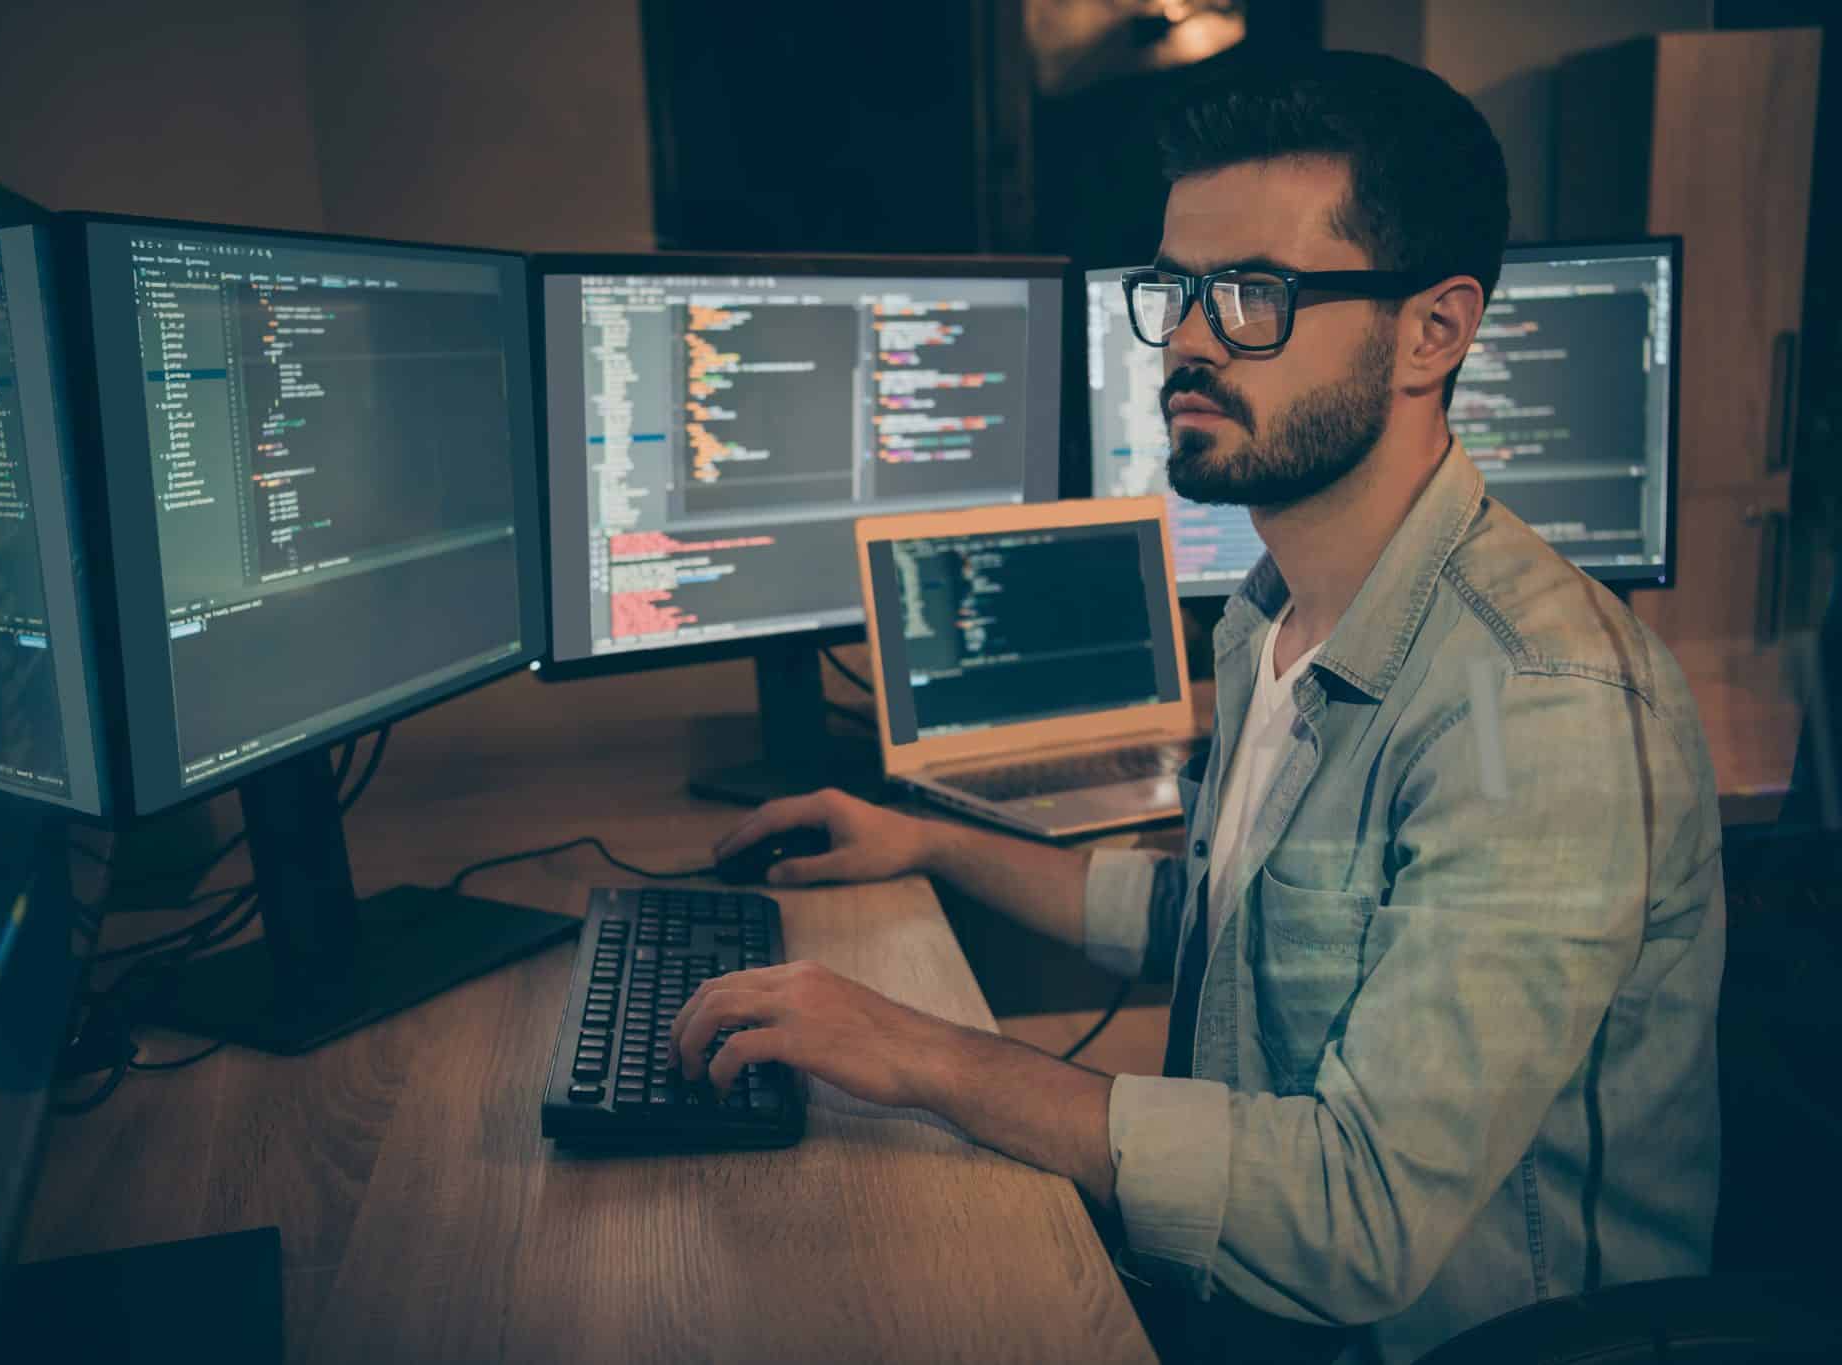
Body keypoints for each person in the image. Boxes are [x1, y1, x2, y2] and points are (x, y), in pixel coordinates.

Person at [671, 50, 1724, 1365]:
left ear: (1433, 332)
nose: (1185, 339)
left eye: (1254, 295)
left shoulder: (1540, 705)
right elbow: (1217, 920)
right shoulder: (1274, 613)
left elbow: (1355, 1214)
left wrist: (918, 1052)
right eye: (1174, 290)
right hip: (1245, 1301)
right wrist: (932, 843)